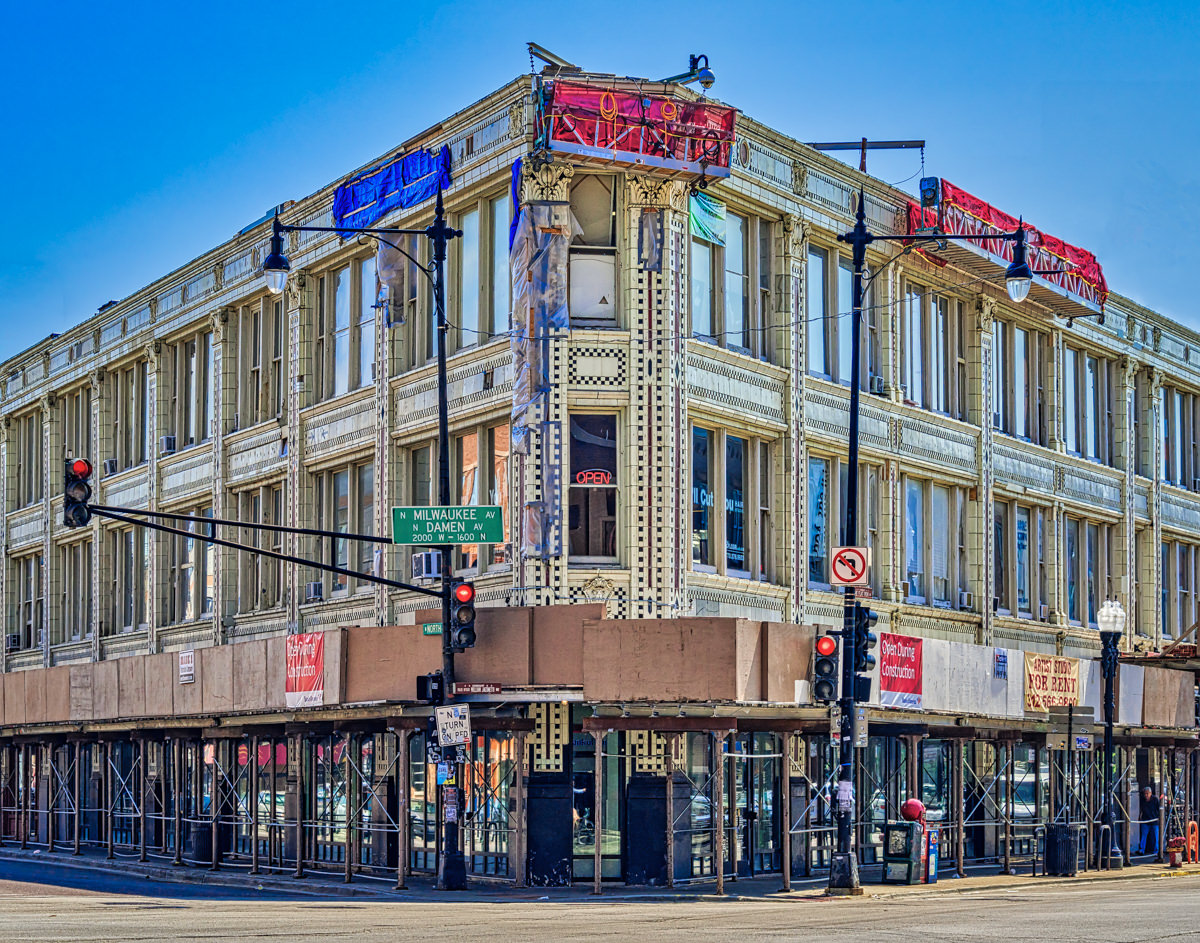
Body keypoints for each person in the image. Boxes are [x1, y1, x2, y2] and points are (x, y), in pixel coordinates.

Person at [1137, 785, 1162, 855]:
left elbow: (1158, 809)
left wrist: (1158, 817)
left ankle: (1156, 851)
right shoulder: (1142, 800)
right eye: (1145, 793)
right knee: (1144, 836)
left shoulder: (1155, 800)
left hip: (1154, 820)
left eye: (1147, 793)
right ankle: (1142, 850)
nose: (1146, 795)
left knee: (1155, 837)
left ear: (1151, 793)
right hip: (1145, 820)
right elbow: (1141, 809)